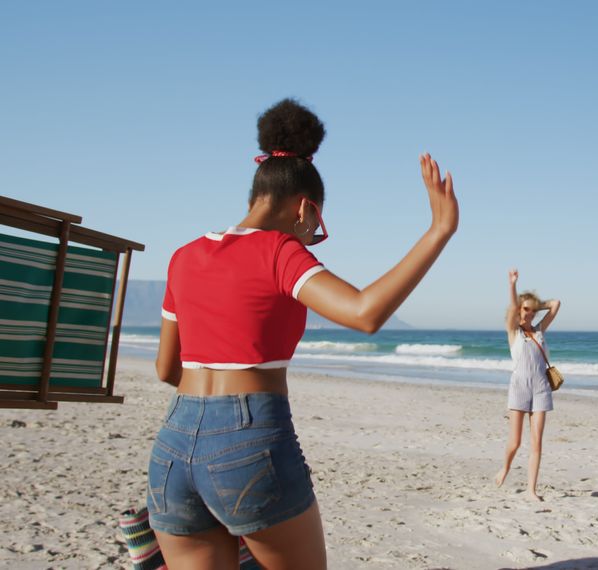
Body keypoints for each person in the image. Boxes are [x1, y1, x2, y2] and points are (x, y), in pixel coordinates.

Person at [150, 98, 458, 569]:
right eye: (316, 226)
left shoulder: (184, 256)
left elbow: (166, 368)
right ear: (305, 208)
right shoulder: (279, 252)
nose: (313, 235)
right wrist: (439, 229)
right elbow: (364, 313)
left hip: (172, 445)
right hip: (249, 442)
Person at [494, 269, 561, 501]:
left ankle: (531, 491)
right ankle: (505, 467)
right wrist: (513, 286)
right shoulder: (513, 331)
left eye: (533, 311)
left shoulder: (539, 330)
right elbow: (513, 309)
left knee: (536, 443)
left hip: (542, 387)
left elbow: (556, 303)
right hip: (520, 387)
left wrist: (534, 305)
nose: (530, 314)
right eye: (526, 309)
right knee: (515, 442)